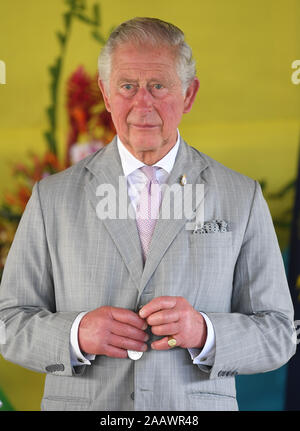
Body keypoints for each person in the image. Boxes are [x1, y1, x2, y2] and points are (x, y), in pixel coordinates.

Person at [0, 17, 296, 411]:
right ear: (106, 94)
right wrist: (75, 333)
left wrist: (204, 332)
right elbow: (8, 322)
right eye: (127, 86)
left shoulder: (241, 196)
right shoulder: (51, 197)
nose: (143, 103)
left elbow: (279, 333)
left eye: (158, 85)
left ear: (189, 94)